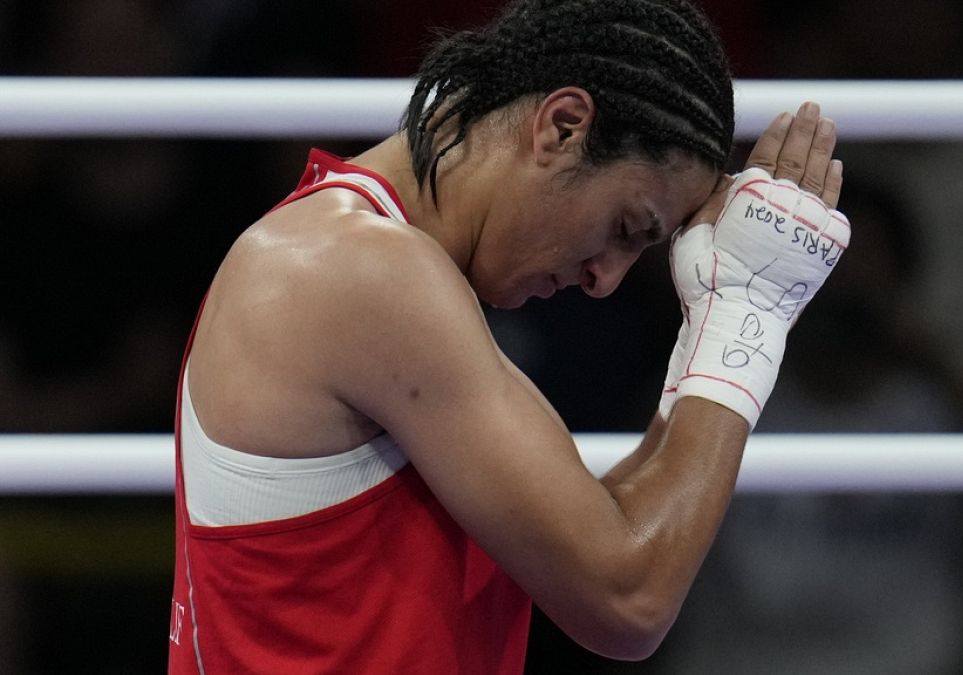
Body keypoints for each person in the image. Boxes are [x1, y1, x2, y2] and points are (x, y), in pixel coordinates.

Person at [167, 0, 850, 672]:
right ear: (562, 126)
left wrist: (715, 315)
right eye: (626, 226)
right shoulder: (359, 271)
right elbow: (630, 597)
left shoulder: (376, 266)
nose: (606, 280)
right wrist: (746, 311)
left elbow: (610, 525)